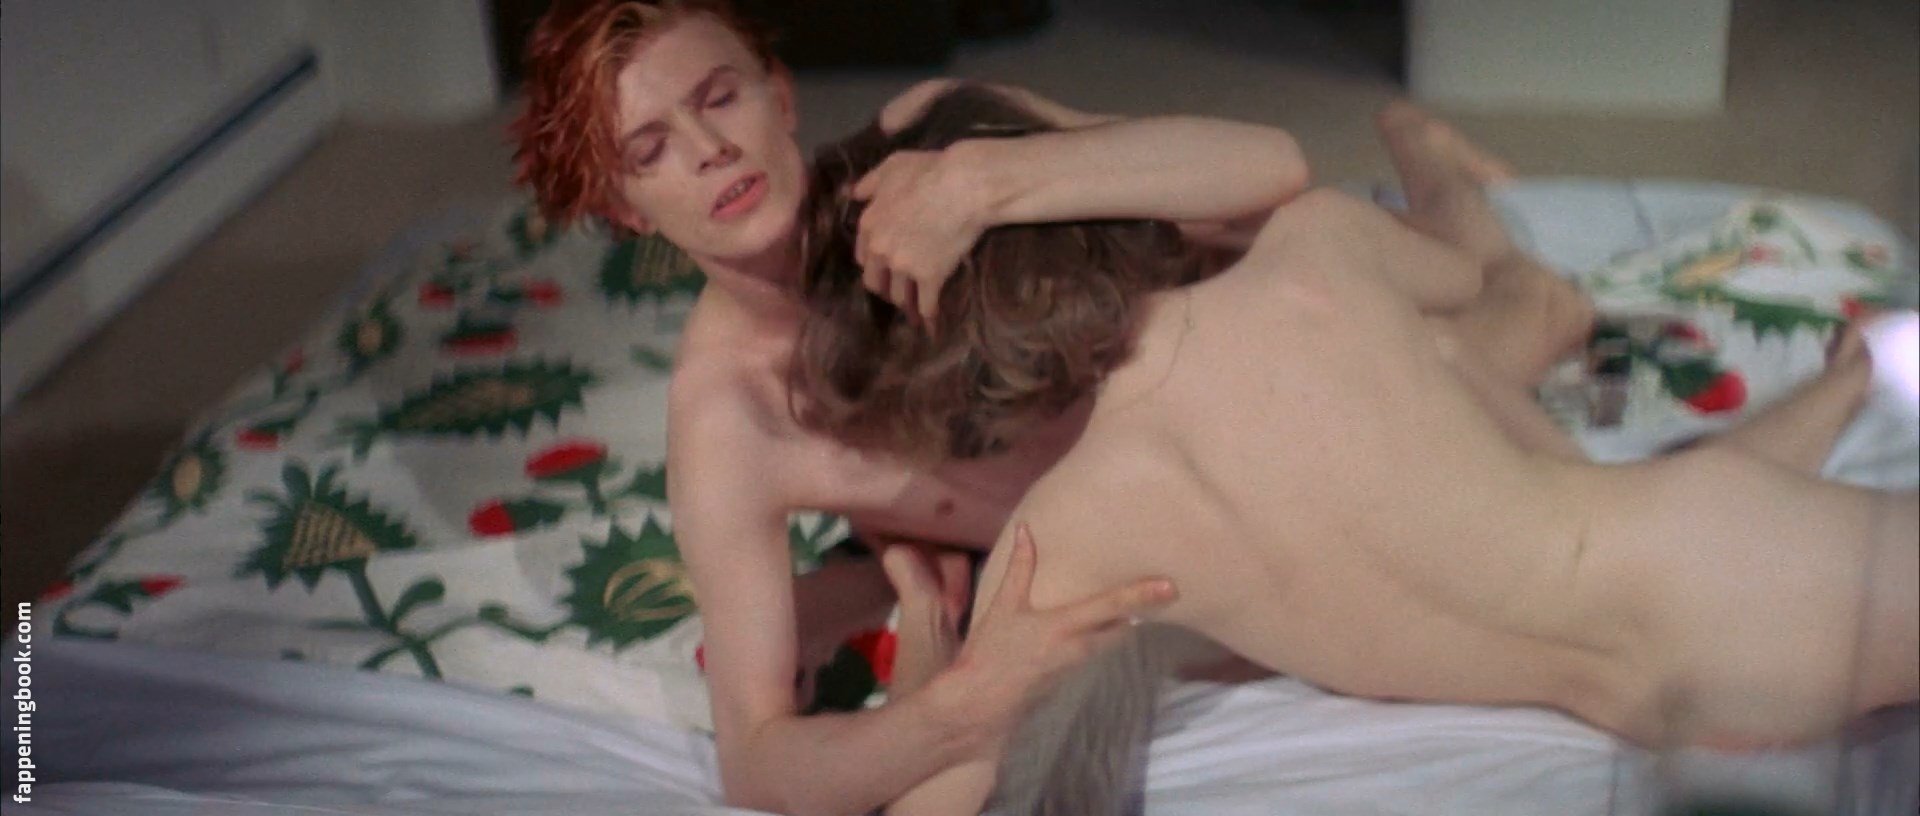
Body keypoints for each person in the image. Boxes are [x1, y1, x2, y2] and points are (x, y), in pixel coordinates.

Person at [791, 86, 1920, 812]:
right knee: (1519, 355)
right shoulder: (1316, 249)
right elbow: (1476, 276)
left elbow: (943, 794)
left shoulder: (1060, 537)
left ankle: (1851, 379)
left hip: (1648, 691)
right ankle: (1426, 149)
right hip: (1713, 574)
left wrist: (928, 633)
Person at [511, 2, 1315, 813]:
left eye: (720, 98)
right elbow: (755, 762)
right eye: (650, 150)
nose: (709, 149)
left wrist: (984, 182)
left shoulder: (927, 141)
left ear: (779, 95)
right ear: (625, 210)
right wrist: (959, 707)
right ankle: (913, 598)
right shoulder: (731, 421)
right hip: (1141, 541)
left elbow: (1271, 167)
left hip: (1264, 379)